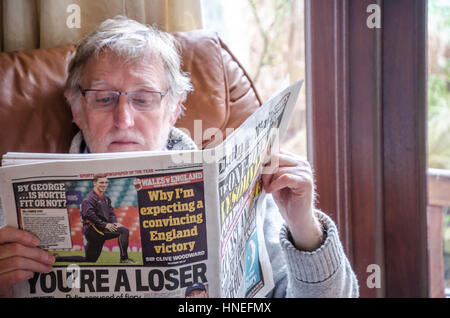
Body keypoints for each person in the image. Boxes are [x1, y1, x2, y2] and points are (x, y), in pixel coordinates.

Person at [0, 16, 359, 298]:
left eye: (143, 98)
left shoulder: (240, 191)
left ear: (173, 109)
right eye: (104, 98)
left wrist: (304, 227)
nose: (124, 119)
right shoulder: (11, 205)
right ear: (77, 109)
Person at [53, 173, 135, 264]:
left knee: (89, 259)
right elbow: (90, 215)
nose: (104, 185)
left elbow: (111, 212)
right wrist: (105, 224)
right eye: (101, 182)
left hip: (101, 229)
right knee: (124, 231)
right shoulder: (89, 199)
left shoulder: (106, 198)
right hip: (94, 230)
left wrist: (114, 222)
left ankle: (58, 258)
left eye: (106, 182)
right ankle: (124, 258)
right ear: (95, 183)